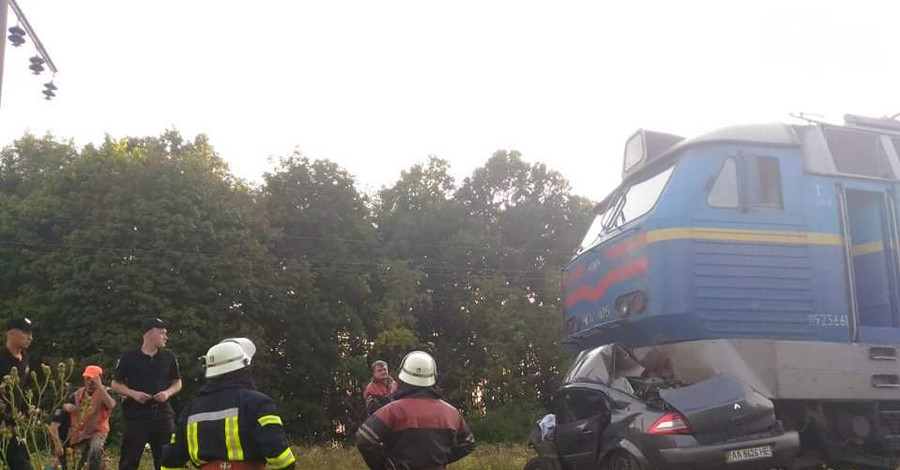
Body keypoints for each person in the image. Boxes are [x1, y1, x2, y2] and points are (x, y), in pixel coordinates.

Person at [161, 338, 296, 470]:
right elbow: (280, 457)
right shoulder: (258, 403)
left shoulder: (191, 409)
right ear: (243, 368)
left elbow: (172, 458)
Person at [356, 351, 475, 470]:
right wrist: (439, 459)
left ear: (403, 377)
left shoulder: (392, 410)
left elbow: (364, 439)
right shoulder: (451, 412)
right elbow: (468, 443)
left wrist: (383, 466)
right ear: (434, 377)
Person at [111, 318, 182, 470]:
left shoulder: (168, 357)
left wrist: (167, 393)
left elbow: (177, 382)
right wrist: (133, 394)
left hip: (162, 415)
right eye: (162, 333)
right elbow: (115, 384)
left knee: (166, 460)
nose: (166, 337)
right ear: (149, 334)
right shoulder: (129, 358)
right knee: (129, 460)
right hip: (136, 416)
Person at [51, 366, 116, 470]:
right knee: (78, 462)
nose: (90, 382)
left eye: (93, 379)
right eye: (87, 378)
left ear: (99, 378)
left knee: (95, 448)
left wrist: (100, 386)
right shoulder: (76, 394)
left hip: (98, 431)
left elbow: (111, 404)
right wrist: (66, 406)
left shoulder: (107, 392)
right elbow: (60, 408)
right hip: (80, 432)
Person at [0, 317, 36, 470]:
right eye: (26, 333)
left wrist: (30, 408)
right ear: (11, 333)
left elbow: (25, 388)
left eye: (31, 333)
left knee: (23, 464)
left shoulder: (25, 359)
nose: (30, 338)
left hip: (14, 425)